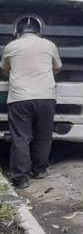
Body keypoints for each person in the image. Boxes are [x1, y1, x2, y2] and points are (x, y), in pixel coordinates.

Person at [1, 17, 62, 190]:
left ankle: (21, 178)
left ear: (17, 32)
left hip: (20, 99)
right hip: (45, 97)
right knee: (43, 135)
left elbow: (5, 69)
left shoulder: (11, 46)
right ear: (38, 31)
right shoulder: (49, 45)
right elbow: (57, 67)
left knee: (21, 138)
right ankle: (40, 170)